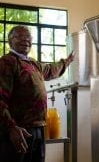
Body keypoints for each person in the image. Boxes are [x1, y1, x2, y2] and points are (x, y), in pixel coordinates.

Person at [0, 25, 75, 162]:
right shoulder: (7, 62)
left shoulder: (34, 64)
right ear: (10, 41)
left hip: (39, 129)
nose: (26, 40)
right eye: (20, 36)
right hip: (19, 131)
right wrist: (11, 128)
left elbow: (51, 70)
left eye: (28, 37)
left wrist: (68, 61)